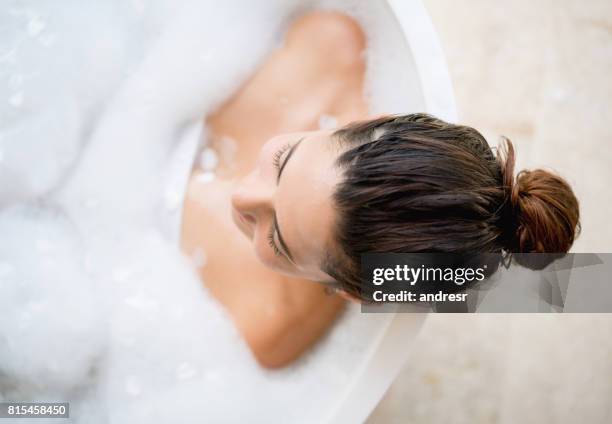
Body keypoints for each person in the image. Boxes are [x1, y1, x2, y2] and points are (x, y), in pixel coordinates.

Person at [180, 11, 580, 368]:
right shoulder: (328, 45)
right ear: (375, 119)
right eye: (284, 158)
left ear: (354, 295)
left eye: (278, 239)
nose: (241, 198)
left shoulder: (265, 325)